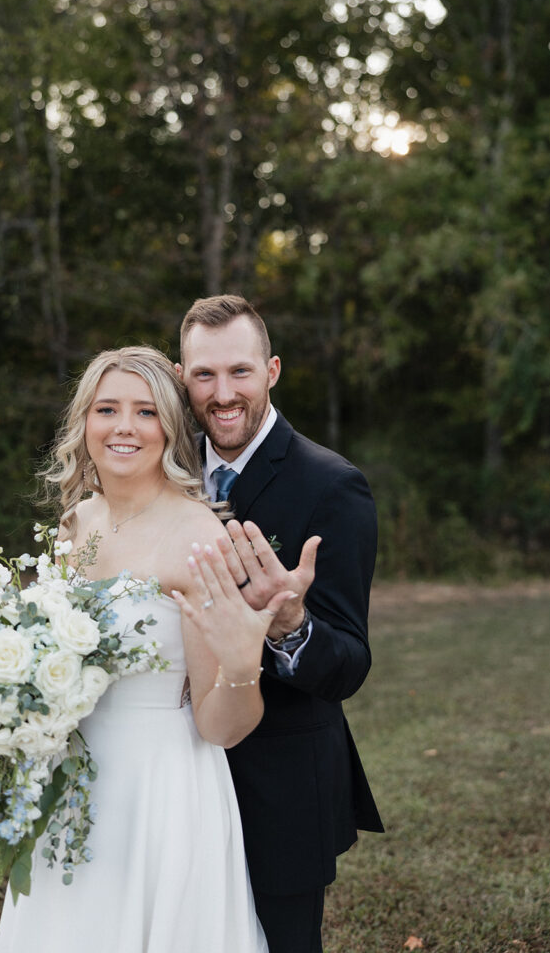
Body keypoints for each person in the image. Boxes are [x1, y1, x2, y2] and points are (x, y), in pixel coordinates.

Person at [0, 346, 286, 952]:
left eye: (146, 412)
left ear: (170, 429)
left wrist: (239, 666)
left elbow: (221, 727)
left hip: (161, 792)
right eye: (107, 409)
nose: (124, 427)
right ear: (85, 423)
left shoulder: (199, 536)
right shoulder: (76, 524)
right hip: (69, 783)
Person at [176, 295, 384, 953]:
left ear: (271, 370)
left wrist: (290, 625)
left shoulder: (331, 486)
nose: (223, 393)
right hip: (176, 774)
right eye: (204, 375)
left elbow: (348, 664)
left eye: (239, 371)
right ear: (184, 380)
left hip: (280, 787)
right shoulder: (165, 471)